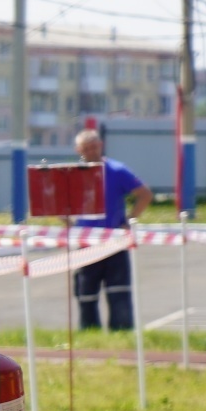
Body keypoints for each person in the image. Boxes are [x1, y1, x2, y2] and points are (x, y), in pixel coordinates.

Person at [70, 128, 152, 329]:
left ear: (101, 146)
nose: (90, 152)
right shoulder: (73, 174)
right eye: (86, 148)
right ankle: (89, 332)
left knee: (118, 292)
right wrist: (70, 224)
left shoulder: (117, 170)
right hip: (86, 243)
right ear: (78, 150)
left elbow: (144, 194)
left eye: (94, 147)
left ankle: (122, 332)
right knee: (86, 293)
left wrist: (128, 221)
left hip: (114, 243)